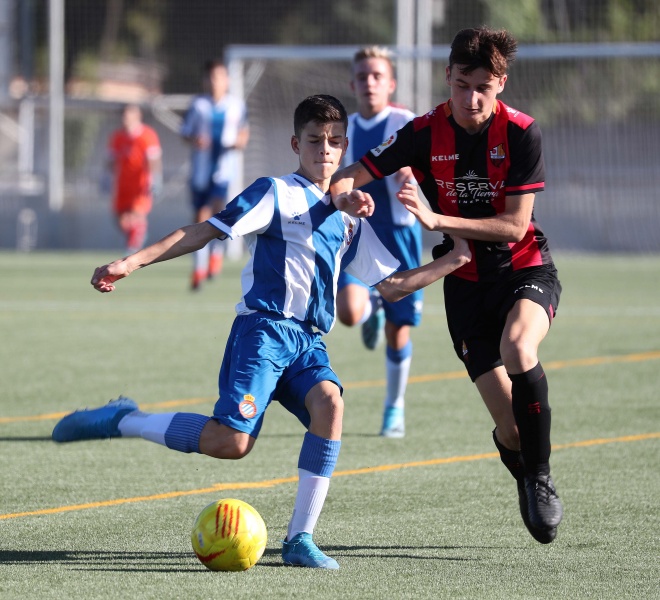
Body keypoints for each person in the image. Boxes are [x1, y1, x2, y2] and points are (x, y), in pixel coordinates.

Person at [52, 95, 471, 570]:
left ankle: (300, 539)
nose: (324, 150)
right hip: (264, 333)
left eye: (334, 142)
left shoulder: (351, 218)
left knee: (331, 404)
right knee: (232, 444)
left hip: (308, 342)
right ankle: (125, 419)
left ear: (345, 147)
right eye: (314, 140)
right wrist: (130, 262)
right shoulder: (275, 193)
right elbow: (203, 231)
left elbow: (392, 287)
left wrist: (454, 259)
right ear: (296, 144)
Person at [330, 27, 564, 545]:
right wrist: (347, 199)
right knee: (511, 431)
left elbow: (514, 227)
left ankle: (541, 478)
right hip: (464, 285)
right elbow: (347, 175)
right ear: (447, 77)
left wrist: (436, 220)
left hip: (524, 269)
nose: (471, 98)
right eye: (462, 85)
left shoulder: (522, 132)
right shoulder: (420, 132)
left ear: (501, 84)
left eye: (483, 87)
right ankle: (526, 466)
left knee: (518, 347)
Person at [336, 46, 422, 438]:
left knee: (398, 332)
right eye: (362, 77)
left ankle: (394, 407)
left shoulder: (407, 123)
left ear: (391, 84)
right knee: (348, 312)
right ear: (353, 84)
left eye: (377, 76)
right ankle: (371, 306)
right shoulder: (344, 129)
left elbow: (424, 168)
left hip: (401, 238)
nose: (369, 83)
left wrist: (410, 176)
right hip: (358, 234)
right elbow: (337, 179)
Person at [180, 58, 250, 290]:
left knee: (219, 214)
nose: (215, 82)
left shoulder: (236, 105)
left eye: (219, 77)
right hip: (200, 171)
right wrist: (195, 139)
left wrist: (238, 142)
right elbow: (185, 132)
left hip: (224, 171)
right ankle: (199, 266)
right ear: (205, 80)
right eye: (211, 77)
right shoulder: (198, 105)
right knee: (200, 216)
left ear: (226, 80)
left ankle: (215, 254)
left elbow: (244, 133)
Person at [106, 103, 162, 254]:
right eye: (124, 115)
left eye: (129, 114)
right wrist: (106, 177)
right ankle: (137, 235)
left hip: (141, 184)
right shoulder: (118, 137)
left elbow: (154, 160)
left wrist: (155, 179)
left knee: (137, 215)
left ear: (138, 116)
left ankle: (132, 249)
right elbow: (111, 160)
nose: (125, 118)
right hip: (123, 185)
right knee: (121, 220)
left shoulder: (147, 135)